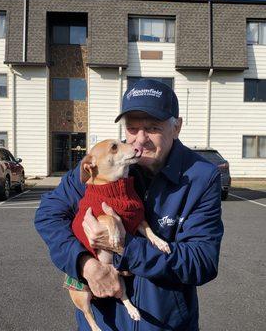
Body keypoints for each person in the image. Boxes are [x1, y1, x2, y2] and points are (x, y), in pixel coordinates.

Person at [35, 79, 224, 331]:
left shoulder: (201, 177)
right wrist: (85, 264)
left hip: (165, 323)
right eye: (132, 128)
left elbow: (201, 262)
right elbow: (48, 215)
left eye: (153, 128)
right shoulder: (101, 168)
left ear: (176, 127)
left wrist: (127, 247)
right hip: (106, 321)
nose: (139, 140)